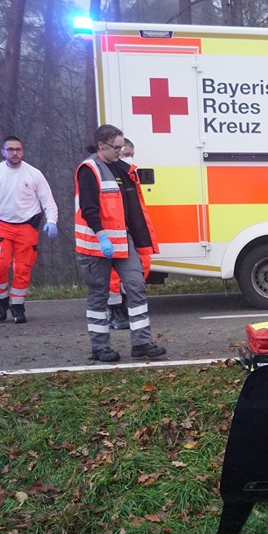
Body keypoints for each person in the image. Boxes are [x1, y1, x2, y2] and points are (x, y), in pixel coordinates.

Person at [75, 124, 167, 362]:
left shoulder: (121, 169)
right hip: (96, 244)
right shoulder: (89, 170)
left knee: (136, 286)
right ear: (101, 145)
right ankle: (99, 347)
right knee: (99, 295)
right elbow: (89, 209)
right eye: (116, 147)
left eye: (122, 146)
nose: (120, 151)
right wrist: (102, 236)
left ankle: (142, 343)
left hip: (122, 243)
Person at [0, 136, 59, 323]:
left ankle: (17, 305)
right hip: (3, 227)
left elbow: (47, 200)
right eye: (10, 149)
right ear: (3, 152)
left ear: (23, 151)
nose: (15, 153)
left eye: (18, 149)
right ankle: (1, 302)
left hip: (27, 227)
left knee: (23, 268)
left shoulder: (34, 174)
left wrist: (52, 221)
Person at [105, 136, 155, 330]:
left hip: (131, 230)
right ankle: (115, 310)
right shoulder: (108, 173)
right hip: (113, 231)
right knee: (113, 275)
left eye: (131, 155)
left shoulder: (130, 174)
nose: (129, 159)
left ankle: (125, 301)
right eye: (126, 154)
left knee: (144, 263)